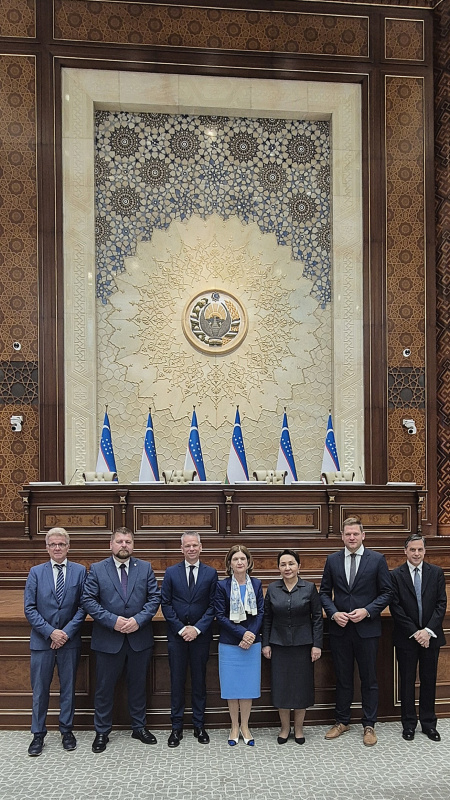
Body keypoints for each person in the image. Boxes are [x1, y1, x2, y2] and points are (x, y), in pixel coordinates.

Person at [81, 526, 160, 753]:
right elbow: (88, 600)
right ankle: (102, 731)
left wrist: (138, 620)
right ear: (111, 545)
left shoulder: (144, 568)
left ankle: (139, 727)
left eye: (128, 541)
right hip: (108, 638)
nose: (124, 545)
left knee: (138, 686)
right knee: (104, 688)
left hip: (139, 637)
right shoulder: (97, 569)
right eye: (119, 541)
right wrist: (113, 621)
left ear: (133, 545)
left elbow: (154, 598)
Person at [319, 516, 392, 746]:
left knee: (369, 679)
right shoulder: (332, 560)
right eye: (348, 534)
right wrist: (333, 613)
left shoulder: (377, 559)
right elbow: (324, 593)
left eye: (355, 534)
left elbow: (387, 593)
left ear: (363, 536)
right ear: (342, 536)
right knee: (343, 678)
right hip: (340, 629)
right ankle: (342, 721)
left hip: (367, 629)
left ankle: (369, 724)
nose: (352, 537)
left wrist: (367, 611)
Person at [24, 527, 86, 756]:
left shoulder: (80, 571)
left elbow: (84, 606)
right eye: (53, 544)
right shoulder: (35, 572)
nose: (57, 548)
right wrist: (51, 632)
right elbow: (29, 608)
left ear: (68, 547)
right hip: (42, 642)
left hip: (69, 640)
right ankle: (38, 735)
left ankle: (66, 731)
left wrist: (65, 633)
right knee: (40, 690)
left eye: (61, 544)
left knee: (68, 688)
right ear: (47, 547)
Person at [161, 531, 218, 747]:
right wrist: (181, 629)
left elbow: (213, 605)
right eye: (187, 546)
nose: (191, 549)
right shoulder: (171, 572)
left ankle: (199, 725)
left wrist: (197, 629)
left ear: (201, 547)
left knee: (199, 681)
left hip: (200, 637)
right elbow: (165, 603)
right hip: (177, 637)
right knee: (177, 682)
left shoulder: (211, 573)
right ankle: (176, 727)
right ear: (181, 549)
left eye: (195, 545)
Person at [390, 533, 447, 742]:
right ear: (405, 551)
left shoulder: (436, 572)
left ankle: (429, 724)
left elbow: (441, 603)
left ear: (425, 551)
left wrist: (427, 631)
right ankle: (409, 724)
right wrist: (415, 632)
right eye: (412, 549)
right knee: (406, 681)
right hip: (407, 637)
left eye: (420, 549)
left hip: (431, 637)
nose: (416, 553)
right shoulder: (395, 575)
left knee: (428, 680)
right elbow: (395, 607)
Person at [262, 549, 322, 744]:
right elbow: (267, 618)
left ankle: (299, 728)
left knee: (301, 687)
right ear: (278, 568)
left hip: (303, 645)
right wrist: (266, 644)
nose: (287, 568)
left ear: (299, 566)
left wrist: (317, 645)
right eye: (283, 564)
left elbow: (317, 618)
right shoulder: (272, 588)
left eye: (291, 564)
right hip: (278, 645)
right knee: (282, 687)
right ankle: (284, 728)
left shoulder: (309, 588)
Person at [214, 544, 264, 746]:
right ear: (229, 563)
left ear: (249, 562)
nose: (240, 562)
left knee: (247, 687)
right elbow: (220, 615)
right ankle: (234, 726)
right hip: (230, 643)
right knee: (232, 687)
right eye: (235, 559)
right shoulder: (222, 586)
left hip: (252, 644)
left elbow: (260, 612)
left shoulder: (257, 584)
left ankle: (245, 726)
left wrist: (250, 635)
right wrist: (243, 633)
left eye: (243, 558)